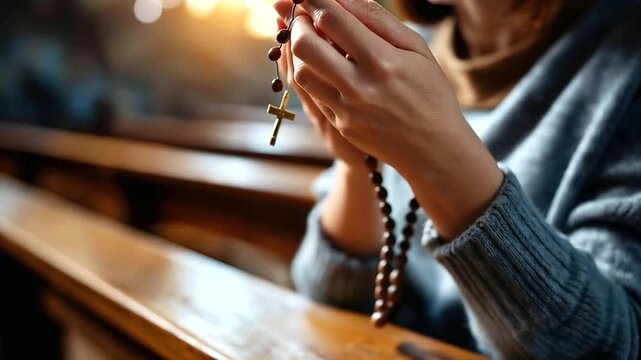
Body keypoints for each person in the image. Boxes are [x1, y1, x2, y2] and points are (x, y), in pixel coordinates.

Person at [273, 0, 641, 358]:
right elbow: (329, 298)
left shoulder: (625, 62)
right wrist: (359, 167)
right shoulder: (393, 52)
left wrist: (435, 152)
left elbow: (614, 345)